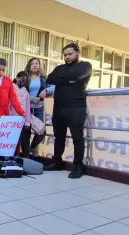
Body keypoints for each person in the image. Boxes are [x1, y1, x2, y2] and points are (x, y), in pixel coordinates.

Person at [45, 43, 92, 179]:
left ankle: (77, 166)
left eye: (70, 54)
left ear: (78, 53)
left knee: (77, 138)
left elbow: (78, 75)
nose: (67, 57)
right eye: (65, 55)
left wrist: (65, 79)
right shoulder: (60, 67)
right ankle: (57, 162)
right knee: (59, 137)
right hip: (59, 106)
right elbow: (50, 78)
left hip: (76, 107)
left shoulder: (85, 66)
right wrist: (69, 79)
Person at [20, 57, 55, 157]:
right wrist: (31, 98)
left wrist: (46, 91)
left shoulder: (44, 78)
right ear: (29, 66)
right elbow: (18, 92)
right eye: (32, 63)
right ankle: (26, 155)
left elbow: (55, 87)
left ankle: (33, 147)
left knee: (41, 132)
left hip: (39, 107)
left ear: (39, 66)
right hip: (26, 109)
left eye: (36, 63)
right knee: (26, 133)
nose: (35, 65)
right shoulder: (24, 78)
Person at [10, 71, 31, 156]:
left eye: (25, 80)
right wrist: (9, 116)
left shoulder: (26, 92)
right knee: (12, 139)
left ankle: (17, 156)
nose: (22, 81)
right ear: (17, 78)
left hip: (21, 119)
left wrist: (27, 121)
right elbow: (9, 103)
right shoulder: (11, 88)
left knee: (20, 140)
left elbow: (27, 108)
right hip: (12, 119)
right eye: (21, 78)